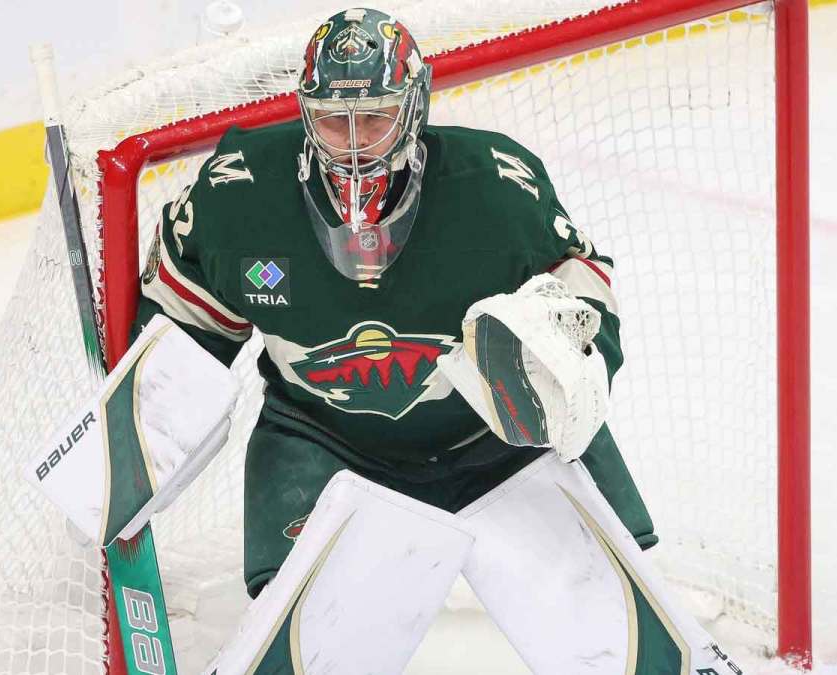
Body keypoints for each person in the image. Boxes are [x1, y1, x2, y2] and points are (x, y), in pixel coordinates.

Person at [133, 7, 740, 673]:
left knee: (635, 651)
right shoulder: (240, 195)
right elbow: (176, 327)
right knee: (302, 654)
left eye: (377, 116)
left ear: (415, 109)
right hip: (326, 444)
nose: (355, 143)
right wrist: (144, 429)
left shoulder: (495, 186)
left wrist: (574, 358)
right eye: (335, 118)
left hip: (501, 443)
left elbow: (585, 290)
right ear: (305, 112)